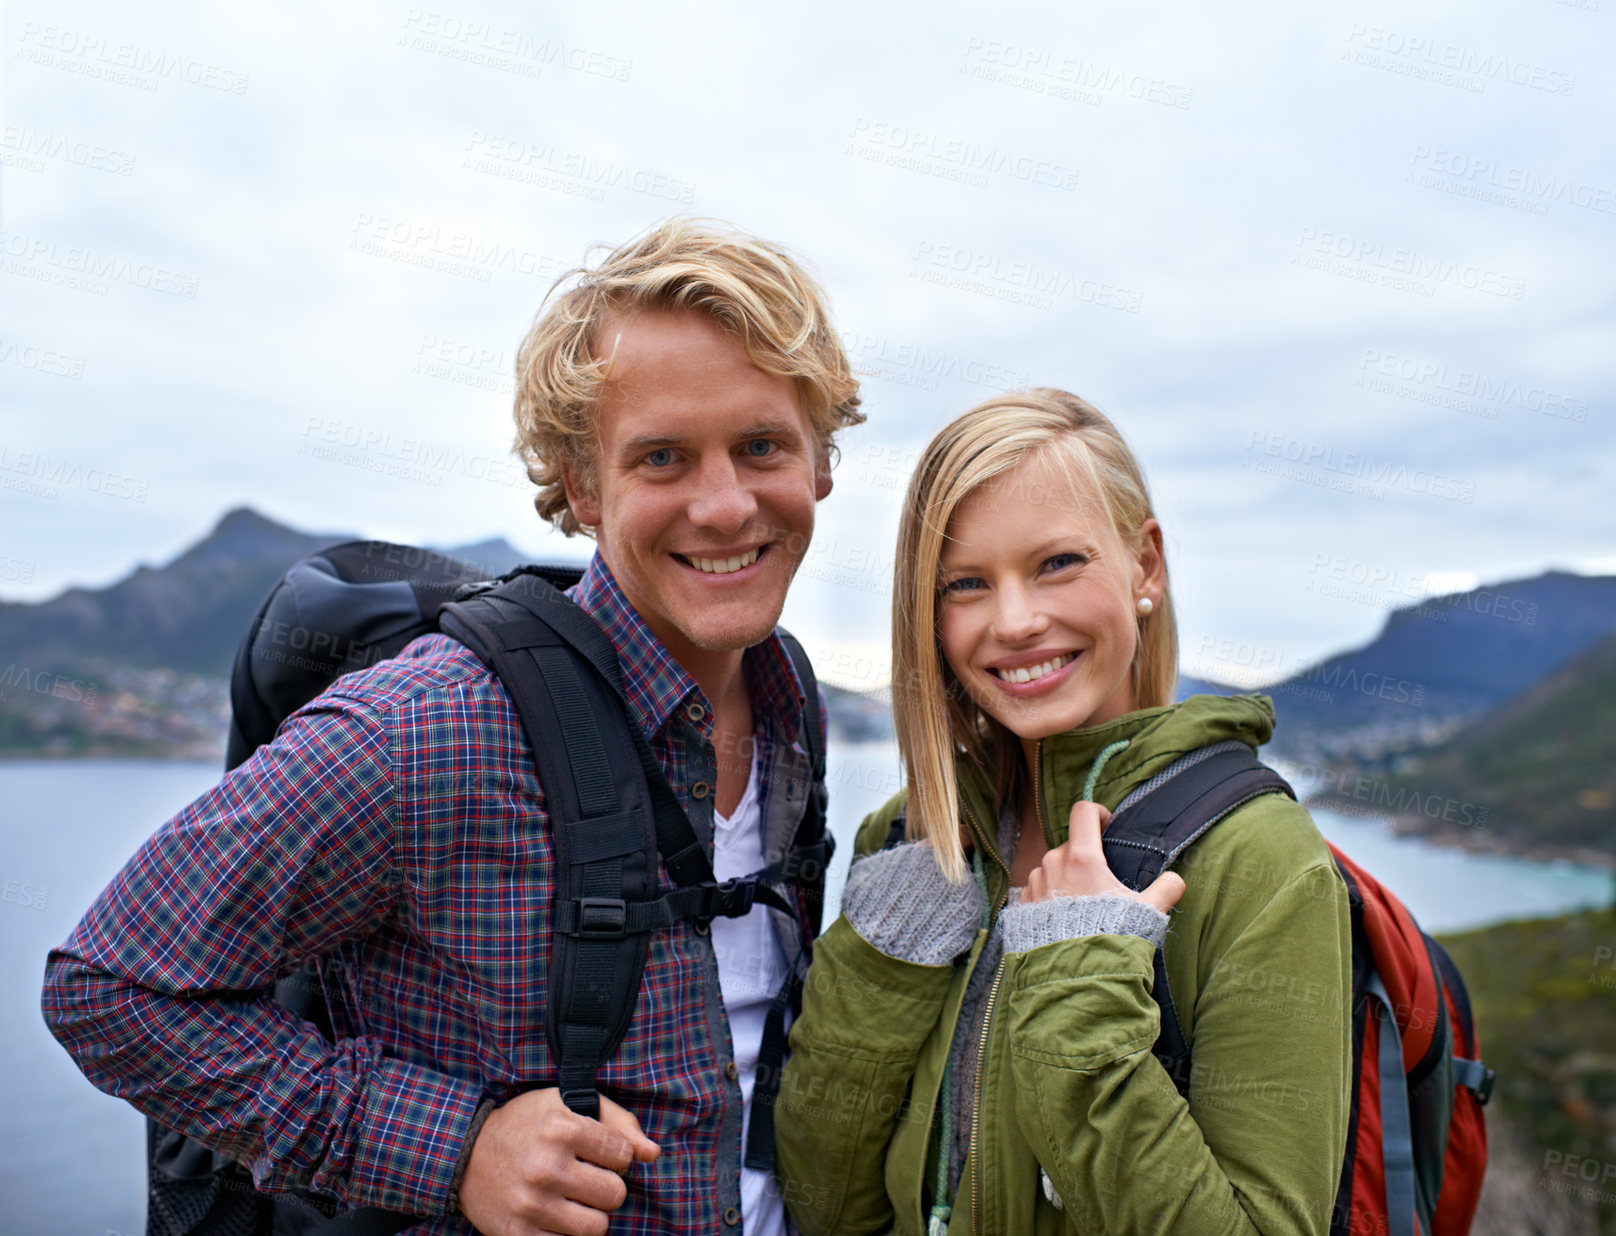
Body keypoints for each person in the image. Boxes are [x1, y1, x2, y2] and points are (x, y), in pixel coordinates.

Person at [42, 218, 863, 1236]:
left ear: (819, 459)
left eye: (760, 446)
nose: (725, 504)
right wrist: (454, 1148)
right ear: (581, 489)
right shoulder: (432, 727)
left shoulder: (788, 695)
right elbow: (110, 986)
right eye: (660, 458)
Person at [776, 389, 1352, 1235]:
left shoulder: (1260, 861)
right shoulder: (912, 837)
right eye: (965, 584)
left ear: (1144, 567)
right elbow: (825, 1204)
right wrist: (881, 973)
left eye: (1057, 564)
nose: (1015, 621)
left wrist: (1082, 985)